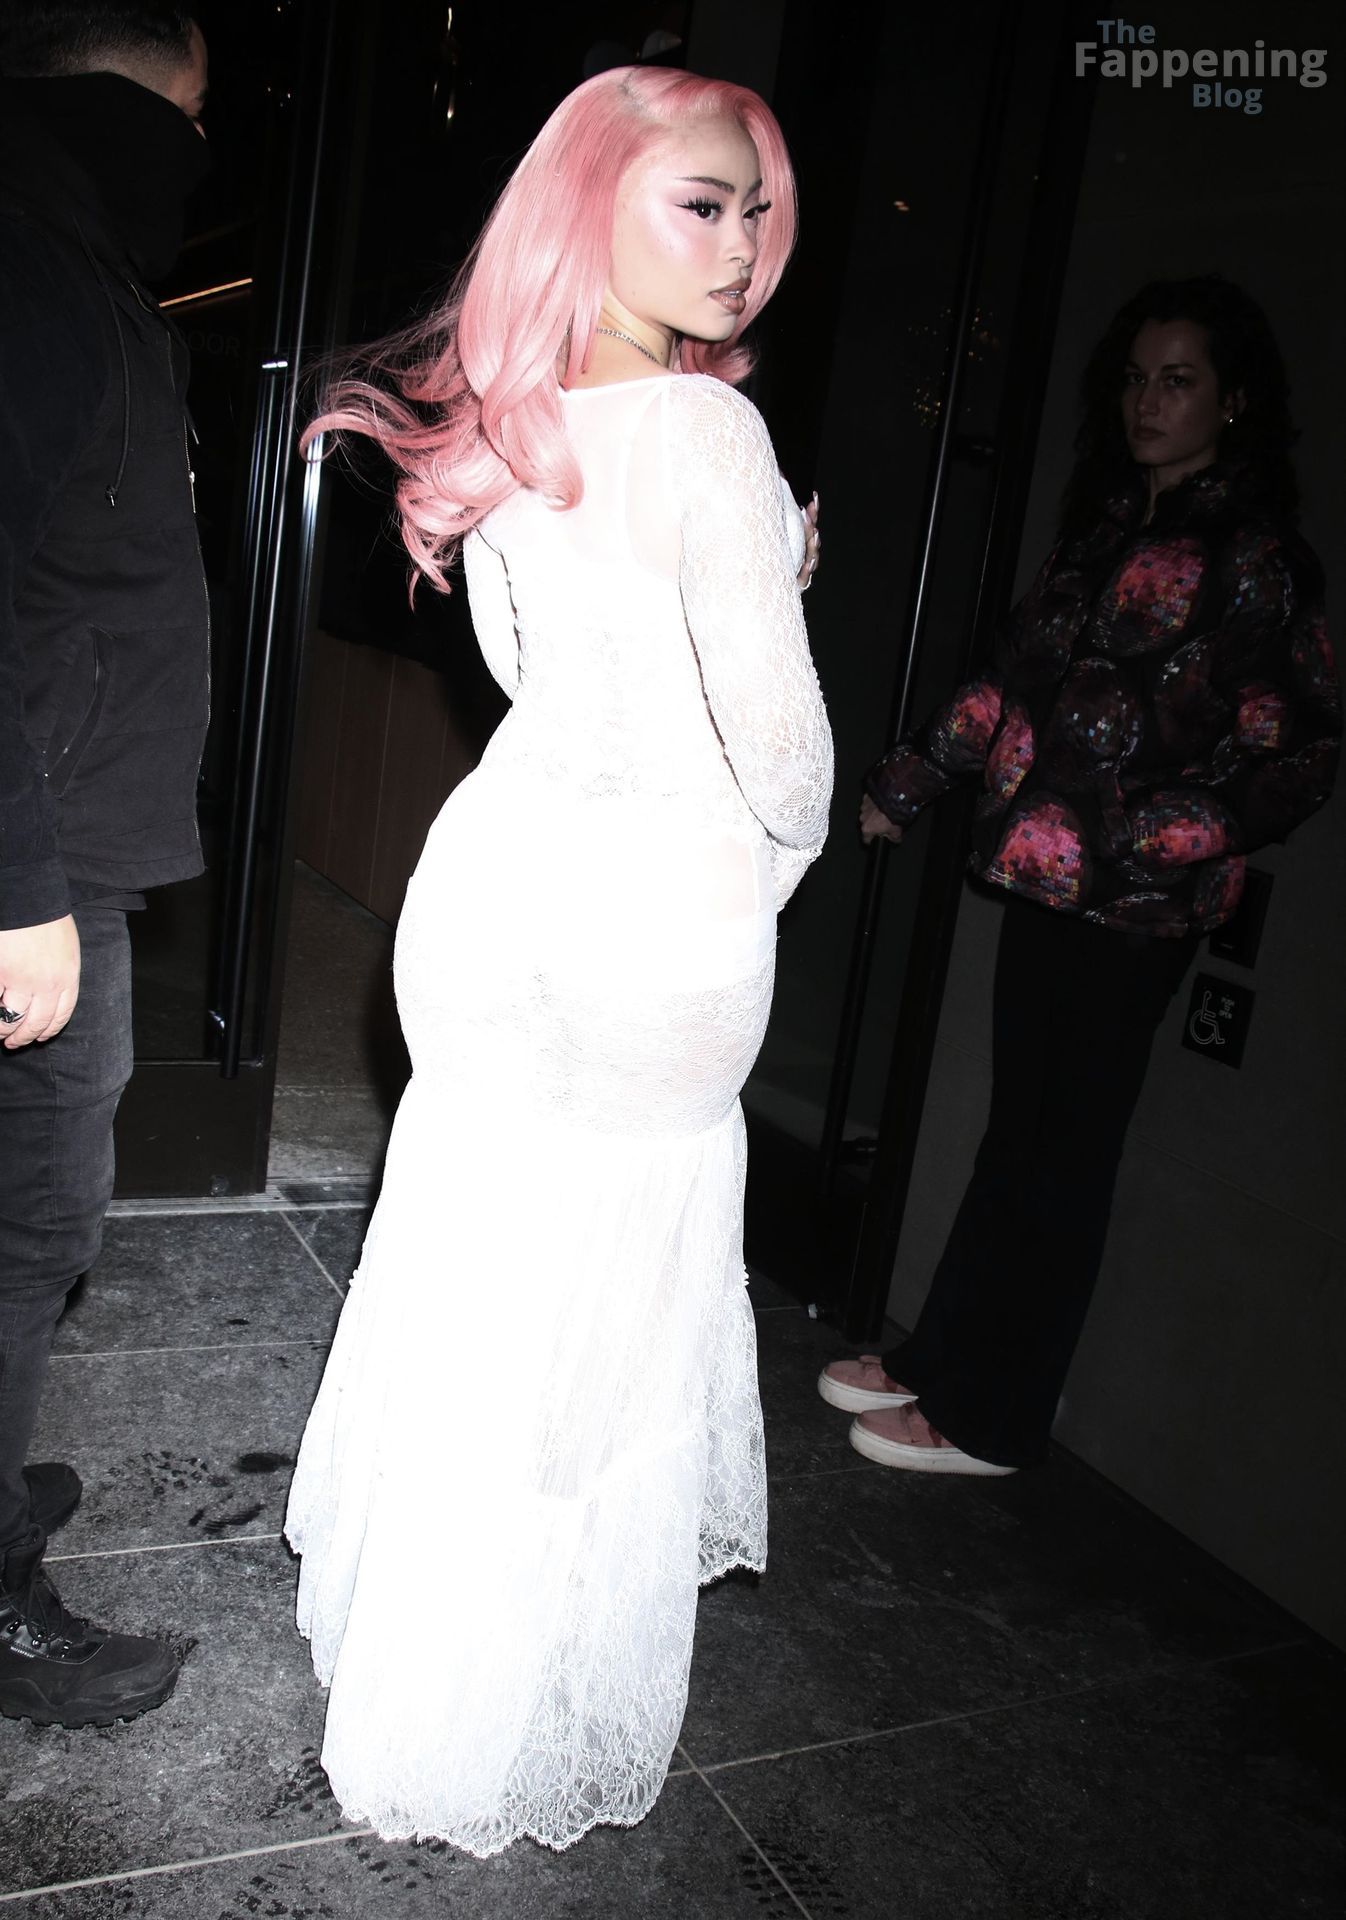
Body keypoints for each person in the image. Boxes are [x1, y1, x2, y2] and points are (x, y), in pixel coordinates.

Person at [284, 67, 832, 1852]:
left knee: (473, 1287)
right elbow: (783, 761)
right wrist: (765, 881)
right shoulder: (712, 438)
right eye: (702, 202)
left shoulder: (512, 424)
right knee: (602, 1348)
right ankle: (499, 1724)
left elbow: (537, 683)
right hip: (650, 933)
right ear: (592, 204)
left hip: (488, 902)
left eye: (757, 207)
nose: (741, 243)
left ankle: (405, 1667)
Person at [820, 274, 1339, 1477]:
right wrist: (905, 780)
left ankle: (991, 1421)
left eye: (1178, 381)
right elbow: (1007, 682)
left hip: (1136, 914)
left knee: (1063, 1158)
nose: (1148, 402)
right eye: (1136, 380)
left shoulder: (1255, 560)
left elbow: (1300, 752)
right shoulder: (1102, 533)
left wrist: (1163, 834)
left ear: (1232, 401)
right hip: (1048, 886)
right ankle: (941, 1362)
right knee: (1020, 1138)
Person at [0, 0, 211, 1725]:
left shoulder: (59, 250)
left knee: (26, 1224)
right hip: (33, 860)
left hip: (63, 842)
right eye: (193, 120)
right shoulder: (32, 266)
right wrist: (19, 890)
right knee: (25, 1226)